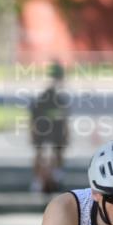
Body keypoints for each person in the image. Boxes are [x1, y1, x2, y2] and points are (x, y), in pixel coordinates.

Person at [29, 63, 69, 193]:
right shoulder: (45, 99)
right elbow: (34, 116)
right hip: (44, 127)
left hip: (52, 128)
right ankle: (39, 178)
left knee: (55, 152)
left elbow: (64, 118)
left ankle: (55, 175)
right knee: (42, 152)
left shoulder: (58, 99)